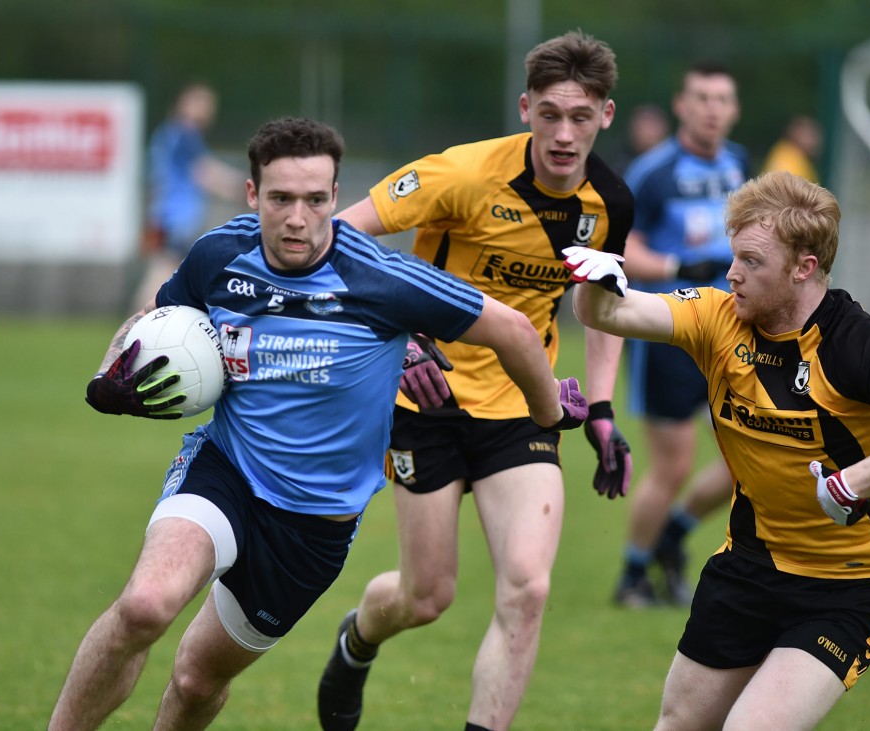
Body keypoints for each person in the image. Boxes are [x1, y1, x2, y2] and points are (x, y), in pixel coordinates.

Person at [46, 116, 590, 731]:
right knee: (145, 607)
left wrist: (549, 412)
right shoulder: (219, 255)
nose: (296, 218)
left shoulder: (381, 279)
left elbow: (513, 329)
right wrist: (109, 373)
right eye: (279, 199)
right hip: (225, 472)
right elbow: (154, 319)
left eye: (313, 200)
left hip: (312, 526)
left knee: (198, 678)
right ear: (254, 196)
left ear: (335, 197)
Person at [316, 30, 634, 731]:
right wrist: (397, 343)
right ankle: (357, 639)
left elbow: (600, 306)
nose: (563, 132)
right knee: (426, 596)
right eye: (549, 113)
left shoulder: (609, 202)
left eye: (581, 117)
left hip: (526, 406)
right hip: (423, 402)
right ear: (525, 108)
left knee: (528, 587)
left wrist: (603, 404)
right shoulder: (461, 175)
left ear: (606, 116)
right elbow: (335, 240)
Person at [566, 170, 870, 731]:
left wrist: (854, 483)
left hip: (849, 583)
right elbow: (609, 314)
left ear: (803, 268)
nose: (732, 273)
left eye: (752, 261)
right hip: (749, 566)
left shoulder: (857, 344)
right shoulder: (718, 316)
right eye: (733, 256)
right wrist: (601, 282)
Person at [612, 61, 750, 608]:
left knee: (751, 458)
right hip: (669, 335)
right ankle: (632, 577)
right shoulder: (653, 172)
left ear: (734, 110)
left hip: (736, 330)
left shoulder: (741, 165)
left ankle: (674, 533)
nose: (712, 108)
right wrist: (676, 268)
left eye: (722, 99)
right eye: (702, 98)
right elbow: (620, 250)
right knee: (672, 465)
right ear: (682, 105)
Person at [130, 82, 247, 311]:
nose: (206, 110)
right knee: (162, 273)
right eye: (200, 103)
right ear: (184, 103)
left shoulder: (167, 133)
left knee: (162, 271)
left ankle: (137, 326)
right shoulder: (185, 133)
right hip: (176, 218)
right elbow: (204, 172)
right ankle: (135, 327)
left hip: (166, 214)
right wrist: (240, 188)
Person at [762, 114, 823, 183]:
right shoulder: (786, 158)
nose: (815, 140)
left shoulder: (798, 158)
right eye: (810, 134)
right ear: (796, 134)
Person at [614, 103, 671, 172]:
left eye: (652, 126)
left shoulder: (675, 164)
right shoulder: (622, 165)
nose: (648, 132)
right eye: (643, 126)